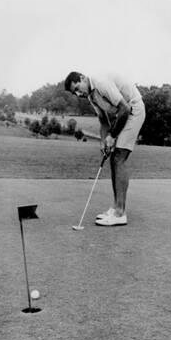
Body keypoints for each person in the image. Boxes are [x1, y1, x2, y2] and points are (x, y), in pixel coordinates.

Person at [64, 71, 145, 226]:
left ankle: (120, 213)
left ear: (82, 78)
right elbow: (103, 120)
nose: (78, 93)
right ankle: (116, 207)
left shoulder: (100, 83)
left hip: (134, 110)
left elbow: (125, 109)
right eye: (74, 92)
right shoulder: (91, 96)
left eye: (77, 87)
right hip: (123, 115)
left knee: (119, 157)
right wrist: (103, 141)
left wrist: (112, 136)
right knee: (114, 157)